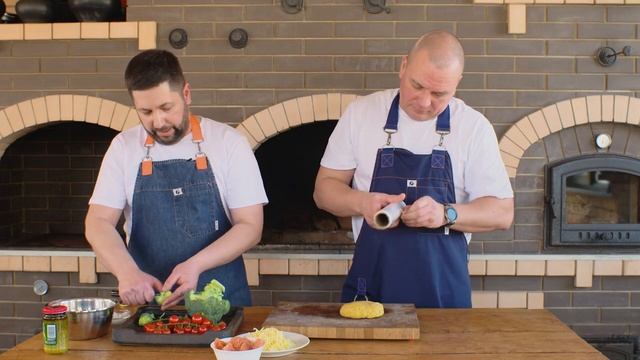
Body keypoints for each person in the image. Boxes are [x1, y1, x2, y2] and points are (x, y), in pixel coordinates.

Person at [313, 30, 514, 308]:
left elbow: (503, 213)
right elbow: (324, 190)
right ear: (403, 66)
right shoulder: (361, 113)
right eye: (417, 86)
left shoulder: (474, 128)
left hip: (443, 292)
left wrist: (446, 213)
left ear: (457, 84)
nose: (424, 102)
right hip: (373, 286)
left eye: (439, 94)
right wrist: (362, 202)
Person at [85, 49, 267, 309]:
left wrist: (196, 265)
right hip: (149, 307)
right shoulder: (124, 147)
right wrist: (126, 272)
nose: (158, 121)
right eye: (146, 112)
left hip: (223, 306)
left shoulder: (228, 143)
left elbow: (250, 227)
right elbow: (98, 222)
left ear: (186, 93)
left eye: (166, 108)